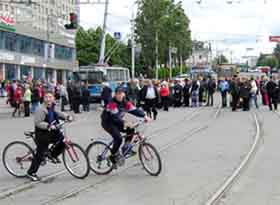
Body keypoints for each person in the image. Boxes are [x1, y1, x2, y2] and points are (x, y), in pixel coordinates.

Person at [26, 93, 72, 181]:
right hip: (42, 134)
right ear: (44, 99)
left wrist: (67, 116)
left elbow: (58, 113)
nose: (48, 99)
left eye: (50, 97)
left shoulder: (52, 107)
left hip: (52, 131)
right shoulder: (40, 109)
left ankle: (52, 155)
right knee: (40, 153)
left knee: (63, 141)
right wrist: (48, 126)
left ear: (53, 98)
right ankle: (31, 172)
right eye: (46, 97)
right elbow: (38, 123)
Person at [101, 87, 149, 167]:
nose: (119, 95)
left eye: (121, 93)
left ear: (124, 94)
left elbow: (134, 110)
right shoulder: (111, 103)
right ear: (115, 94)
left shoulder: (125, 102)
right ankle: (113, 156)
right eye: (118, 93)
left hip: (117, 122)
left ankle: (125, 147)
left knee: (131, 130)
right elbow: (115, 116)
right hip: (108, 123)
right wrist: (125, 123)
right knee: (118, 138)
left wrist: (144, 116)